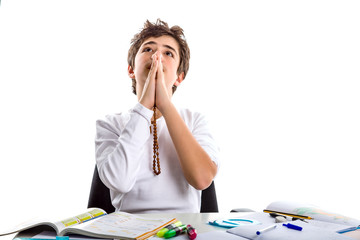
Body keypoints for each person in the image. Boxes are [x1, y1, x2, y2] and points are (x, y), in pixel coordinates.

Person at [95, 19, 219, 213]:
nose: (157, 57)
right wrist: (145, 105)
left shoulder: (195, 121)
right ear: (131, 70)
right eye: (148, 50)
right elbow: (119, 181)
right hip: (129, 231)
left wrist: (165, 105)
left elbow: (202, 179)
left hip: (182, 229)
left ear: (179, 77)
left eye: (168, 53)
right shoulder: (109, 124)